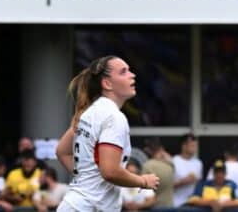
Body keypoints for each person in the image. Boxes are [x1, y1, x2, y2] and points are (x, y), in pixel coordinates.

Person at [55, 55, 161, 211]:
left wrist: (88, 179)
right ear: (107, 84)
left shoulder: (89, 112)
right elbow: (110, 171)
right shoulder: (113, 117)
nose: (132, 75)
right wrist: (143, 181)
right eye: (123, 72)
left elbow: (62, 152)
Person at [140, 138, 174, 208]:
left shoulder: (147, 166)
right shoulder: (170, 165)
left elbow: (143, 188)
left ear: (148, 150)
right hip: (170, 205)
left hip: (154, 206)